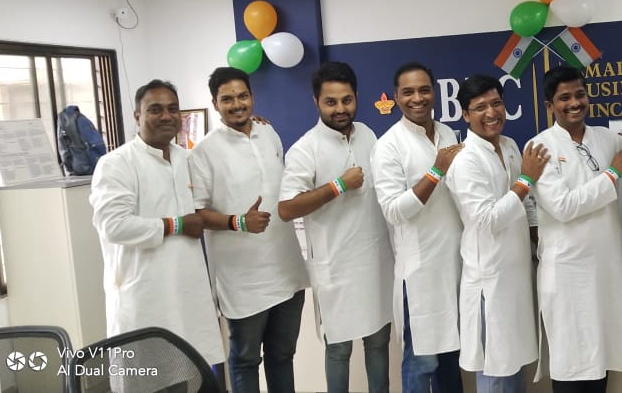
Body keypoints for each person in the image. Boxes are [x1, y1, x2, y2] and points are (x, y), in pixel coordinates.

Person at [88, 80, 224, 387]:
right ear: (137, 116)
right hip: (145, 298)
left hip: (185, 295)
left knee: (185, 378)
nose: (166, 116)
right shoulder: (116, 164)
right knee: (149, 382)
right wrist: (175, 225)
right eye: (155, 109)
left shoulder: (187, 159)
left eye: (173, 109)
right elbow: (113, 225)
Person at [187, 67, 309, 393]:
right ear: (215, 104)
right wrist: (238, 221)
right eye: (227, 99)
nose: (237, 104)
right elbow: (197, 213)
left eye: (243, 96)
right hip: (242, 282)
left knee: (282, 356)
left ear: (253, 97)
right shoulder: (203, 152)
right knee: (245, 361)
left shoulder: (268, 132)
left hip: (287, 271)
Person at [278, 61, 394, 393]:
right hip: (336, 268)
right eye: (331, 102)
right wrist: (337, 186)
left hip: (375, 262)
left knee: (378, 341)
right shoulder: (306, 149)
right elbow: (286, 208)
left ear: (356, 97)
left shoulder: (368, 135)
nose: (340, 109)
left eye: (347, 100)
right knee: (339, 349)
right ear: (316, 101)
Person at [528, 66, 622, 393]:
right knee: (571, 362)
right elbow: (563, 207)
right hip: (567, 272)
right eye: (564, 98)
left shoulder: (606, 138)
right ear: (550, 105)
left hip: (605, 269)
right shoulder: (539, 147)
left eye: (579, 94)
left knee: (601, 357)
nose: (574, 103)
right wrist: (612, 174)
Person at [445, 74, 549, 393]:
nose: (491, 113)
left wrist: (540, 243)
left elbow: (526, 205)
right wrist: (526, 180)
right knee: (495, 371)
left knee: (514, 366)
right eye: (480, 107)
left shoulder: (510, 146)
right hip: (488, 282)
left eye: (496, 103)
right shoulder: (465, 160)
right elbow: (488, 220)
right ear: (465, 114)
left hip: (516, 276)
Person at [370, 62, 465, 393]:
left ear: (434, 93)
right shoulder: (388, 145)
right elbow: (394, 211)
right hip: (420, 273)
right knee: (422, 361)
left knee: (452, 356)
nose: (418, 98)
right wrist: (435, 172)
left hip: (456, 264)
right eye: (408, 92)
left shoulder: (447, 133)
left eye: (424, 90)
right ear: (396, 97)